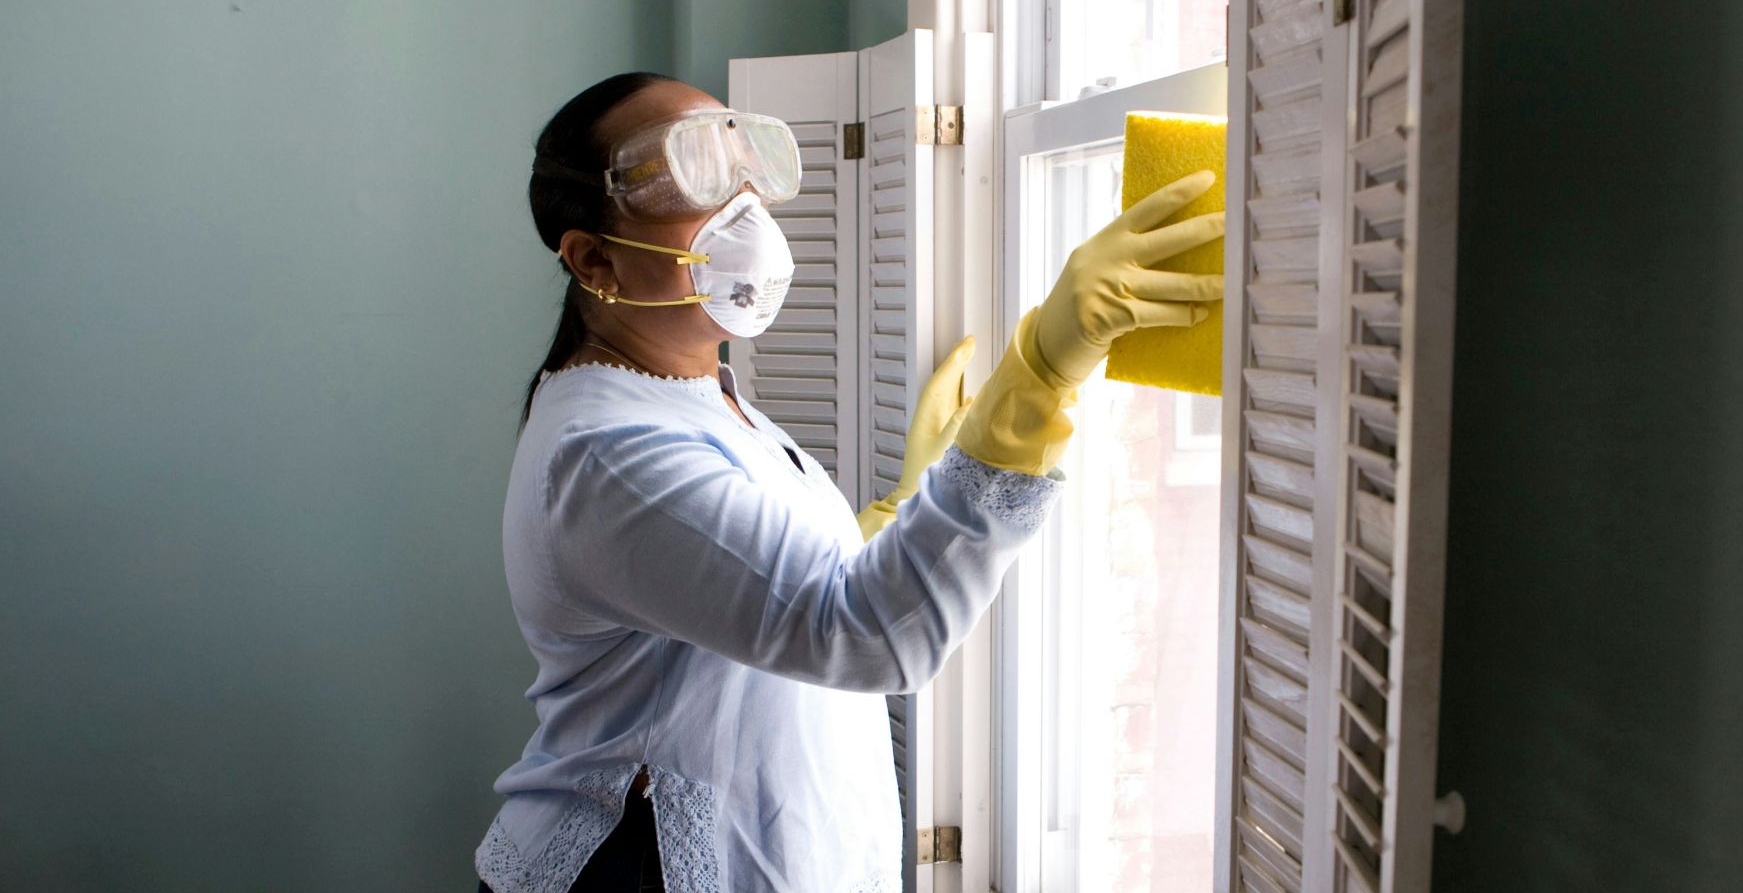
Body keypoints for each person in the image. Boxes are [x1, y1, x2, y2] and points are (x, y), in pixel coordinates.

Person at [475, 72, 1225, 892]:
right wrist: (1036, 381)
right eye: (688, 172)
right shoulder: (607, 451)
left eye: (741, 160)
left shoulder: (695, 393)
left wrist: (907, 503)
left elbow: (751, 590)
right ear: (595, 260)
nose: (743, 202)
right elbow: (868, 636)